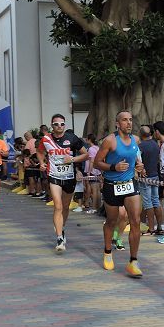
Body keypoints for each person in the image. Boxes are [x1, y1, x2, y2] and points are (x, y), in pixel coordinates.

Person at [94, 110, 145, 277]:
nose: (128, 123)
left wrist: (139, 166)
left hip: (130, 183)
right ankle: (108, 252)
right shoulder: (110, 141)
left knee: (135, 221)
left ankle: (133, 261)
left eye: (130, 120)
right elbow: (96, 163)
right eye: (124, 120)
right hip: (111, 184)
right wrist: (113, 167)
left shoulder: (136, 140)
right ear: (117, 123)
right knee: (111, 220)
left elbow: (136, 158)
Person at [40, 114, 88, 252]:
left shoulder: (72, 138)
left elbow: (86, 155)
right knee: (58, 206)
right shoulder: (46, 139)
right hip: (54, 176)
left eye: (62, 124)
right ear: (52, 125)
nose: (59, 126)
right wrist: (42, 163)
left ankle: (62, 227)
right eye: (56, 124)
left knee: (66, 207)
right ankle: (59, 238)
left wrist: (72, 160)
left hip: (69, 177)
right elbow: (40, 151)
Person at [137, 125, 163, 236]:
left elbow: (138, 161)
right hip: (155, 176)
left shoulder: (140, 146)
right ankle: (160, 227)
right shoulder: (156, 145)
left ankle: (151, 228)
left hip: (145, 177)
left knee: (148, 203)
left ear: (141, 134)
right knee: (156, 201)